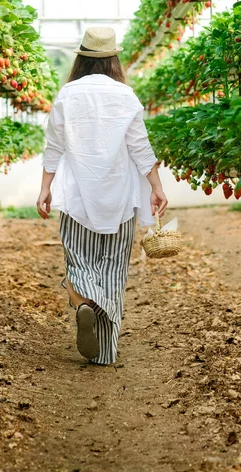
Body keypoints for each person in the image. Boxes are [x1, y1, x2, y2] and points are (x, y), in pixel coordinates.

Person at [37, 27, 168, 365]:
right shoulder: (125, 95)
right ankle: (105, 353)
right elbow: (140, 147)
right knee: (112, 271)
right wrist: (156, 187)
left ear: (81, 58)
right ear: (113, 58)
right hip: (120, 200)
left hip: (78, 197)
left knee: (79, 262)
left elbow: (54, 147)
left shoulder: (67, 94)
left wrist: (45, 188)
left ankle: (83, 303)